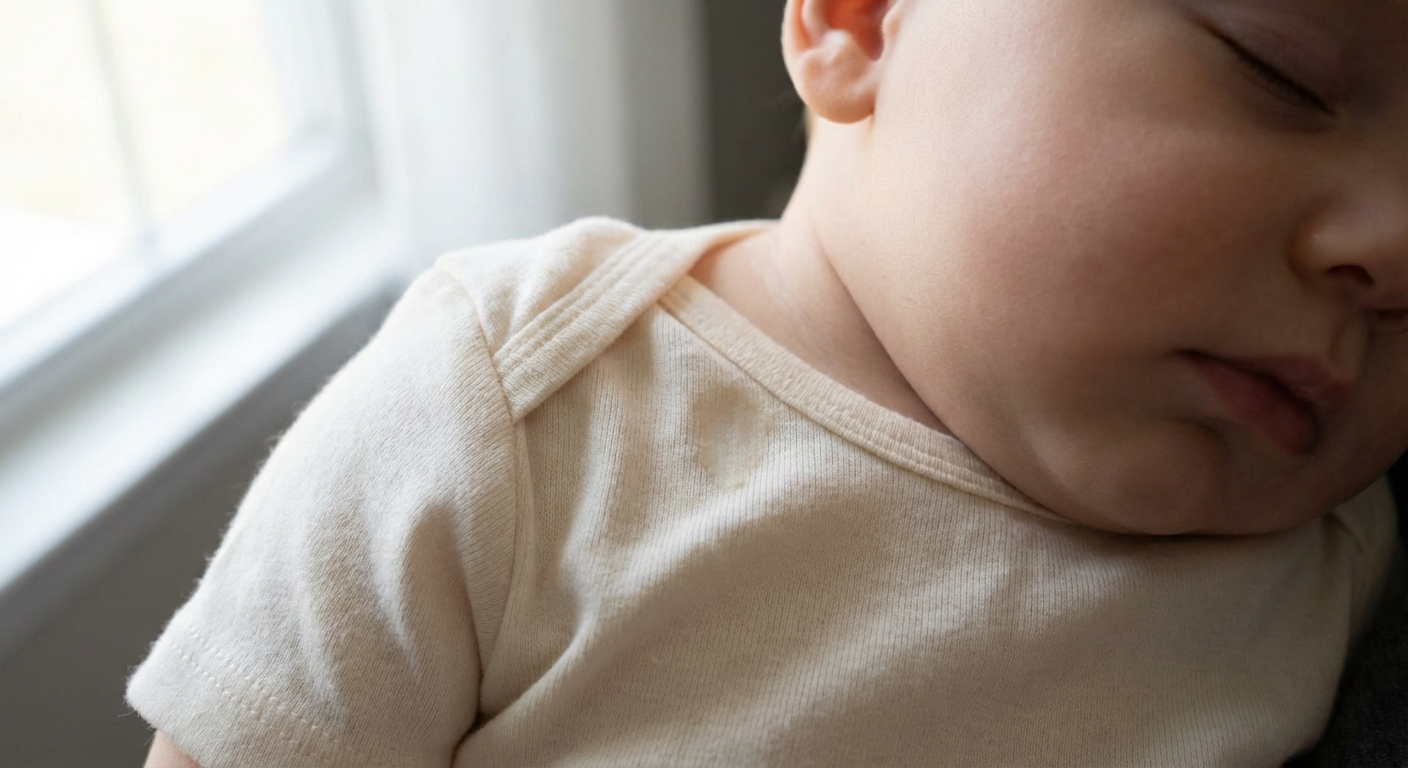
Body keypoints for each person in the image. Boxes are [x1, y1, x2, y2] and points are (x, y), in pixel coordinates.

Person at [130, 0, 1408, 764]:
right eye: (1281, 70)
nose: (1393, 249)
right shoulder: (517, 400)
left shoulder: (1336, 564)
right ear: (857, 17)